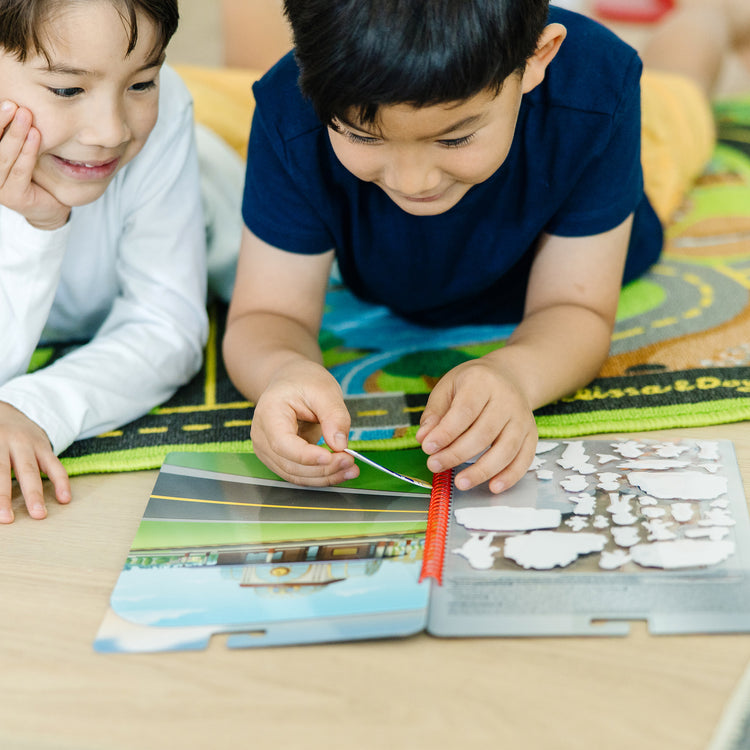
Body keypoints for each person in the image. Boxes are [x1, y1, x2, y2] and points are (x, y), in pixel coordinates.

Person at [223, 0, 750, 494]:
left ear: (538, 58)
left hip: (610, 213)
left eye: (454, 139)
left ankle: (708, 16)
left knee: (680, 99)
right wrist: (282, 371)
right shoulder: (288, 110)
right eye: (363, 136)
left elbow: (575, 307)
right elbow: (265, 314)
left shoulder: (596, 92)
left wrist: (514, 373)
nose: (413, 180)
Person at [0, 0, 209, 523]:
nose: (111, 131)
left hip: (219, 201)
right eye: (68, 89)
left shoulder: (166, 116)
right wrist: (35, 228)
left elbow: (168, 324)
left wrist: (34, 407)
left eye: (143, 83)